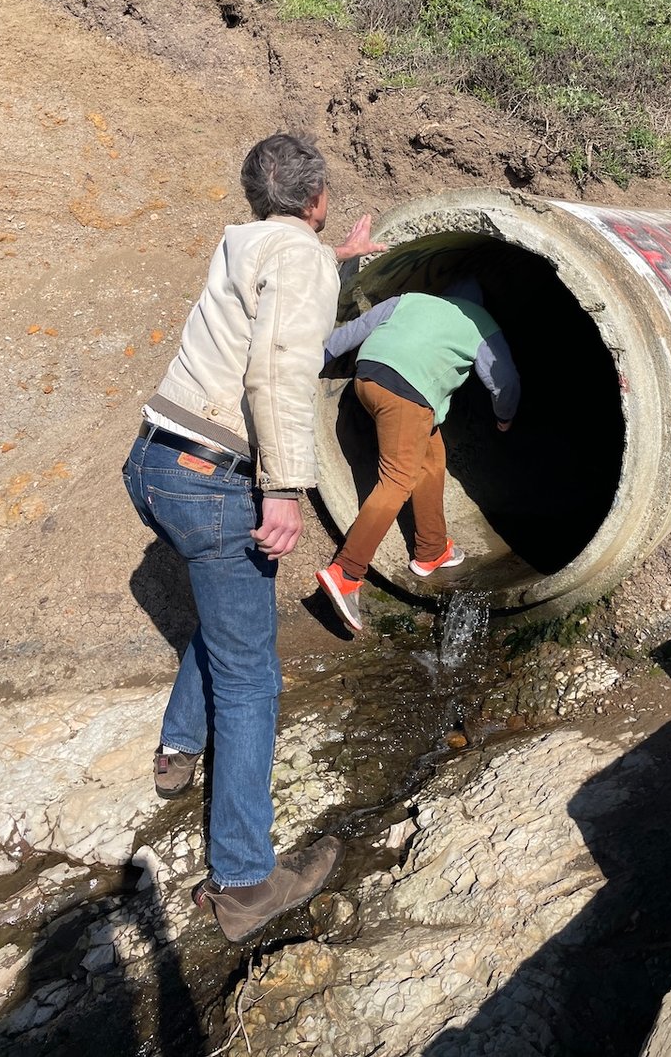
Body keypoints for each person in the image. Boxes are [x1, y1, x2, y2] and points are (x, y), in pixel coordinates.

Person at [122, 131, 384, 944]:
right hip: (216, 478)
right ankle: (242, 880)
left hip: (155, 461)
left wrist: (334, 255)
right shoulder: (297, 257)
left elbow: (268, 299)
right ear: (320, 197)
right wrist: (284, 488)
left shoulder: (248, 242)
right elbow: (277, 370)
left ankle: (178, 748)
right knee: (251, 677)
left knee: (228, 615)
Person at [316, 281, 520, 633]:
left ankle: (431, 550)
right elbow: (504, 379)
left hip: (366, 379)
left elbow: (349, 334)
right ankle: (347, 572)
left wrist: (307, 364)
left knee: (430, 459)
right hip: (407, 394)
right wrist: (505, 416)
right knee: (396, 480)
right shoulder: (479, 321)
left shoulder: (410, 301)